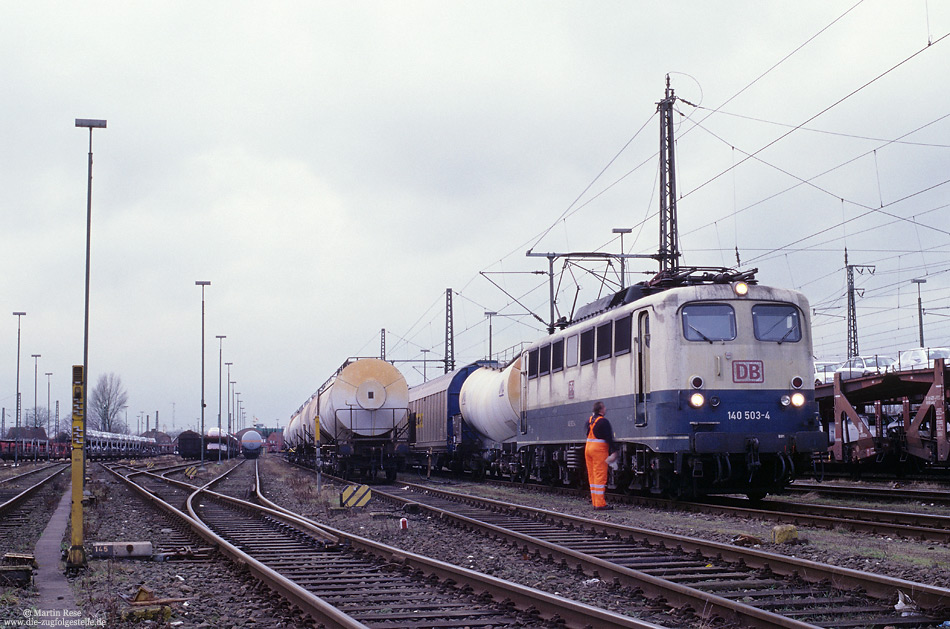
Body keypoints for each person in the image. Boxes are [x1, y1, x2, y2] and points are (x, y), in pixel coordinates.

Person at [585, 401, 616, 510]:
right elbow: (609, 438)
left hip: (588, 449)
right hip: (599, 450)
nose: (606, 409)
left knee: (592, 476)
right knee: (600, 476)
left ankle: (595, 501)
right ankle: (600, 504)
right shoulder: (603, 422)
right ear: (601, 410)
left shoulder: (590, 420)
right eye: (604, 407)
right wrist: (614, 450)